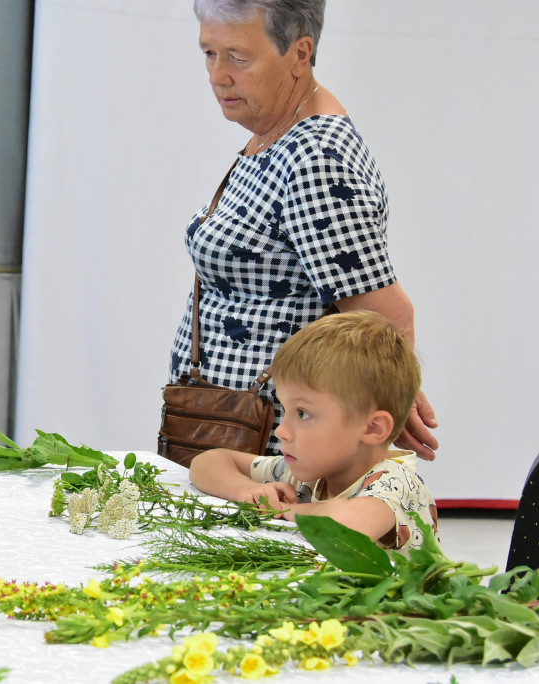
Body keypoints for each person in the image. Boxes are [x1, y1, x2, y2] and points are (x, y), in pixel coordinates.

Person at [169, 0, 438, 460]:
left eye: (238, 56)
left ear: (299, 54)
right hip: (232, 429)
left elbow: (388, 316)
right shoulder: (274, 133)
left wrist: (387, 415)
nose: (218, 75)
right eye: (209, 53)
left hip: (277, 452)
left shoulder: (315, 159)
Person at [189, 311, 439, 552]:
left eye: (302, 413)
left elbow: (350, 524)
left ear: (372, 428)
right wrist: (247, 490)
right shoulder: (308, 471)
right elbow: (207, 462)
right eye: (284, 409)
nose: (282, 432)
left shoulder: (396, 482)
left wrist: (283, 510)